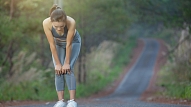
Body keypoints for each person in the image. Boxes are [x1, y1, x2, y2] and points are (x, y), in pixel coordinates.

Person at [42, 4, 81, 107]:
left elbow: (69, 44)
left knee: (68, 69)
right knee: (58, 70)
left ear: (65, 22)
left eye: (62, 26)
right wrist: (58, 64)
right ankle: (61, 101)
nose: (59, 29)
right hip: (58, 44)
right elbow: (52, 44)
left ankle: (72, 101)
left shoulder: (71, 22)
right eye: (56, 27)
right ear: (51, 22)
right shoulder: (46, 23)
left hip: (73, 43)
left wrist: (66, 63)